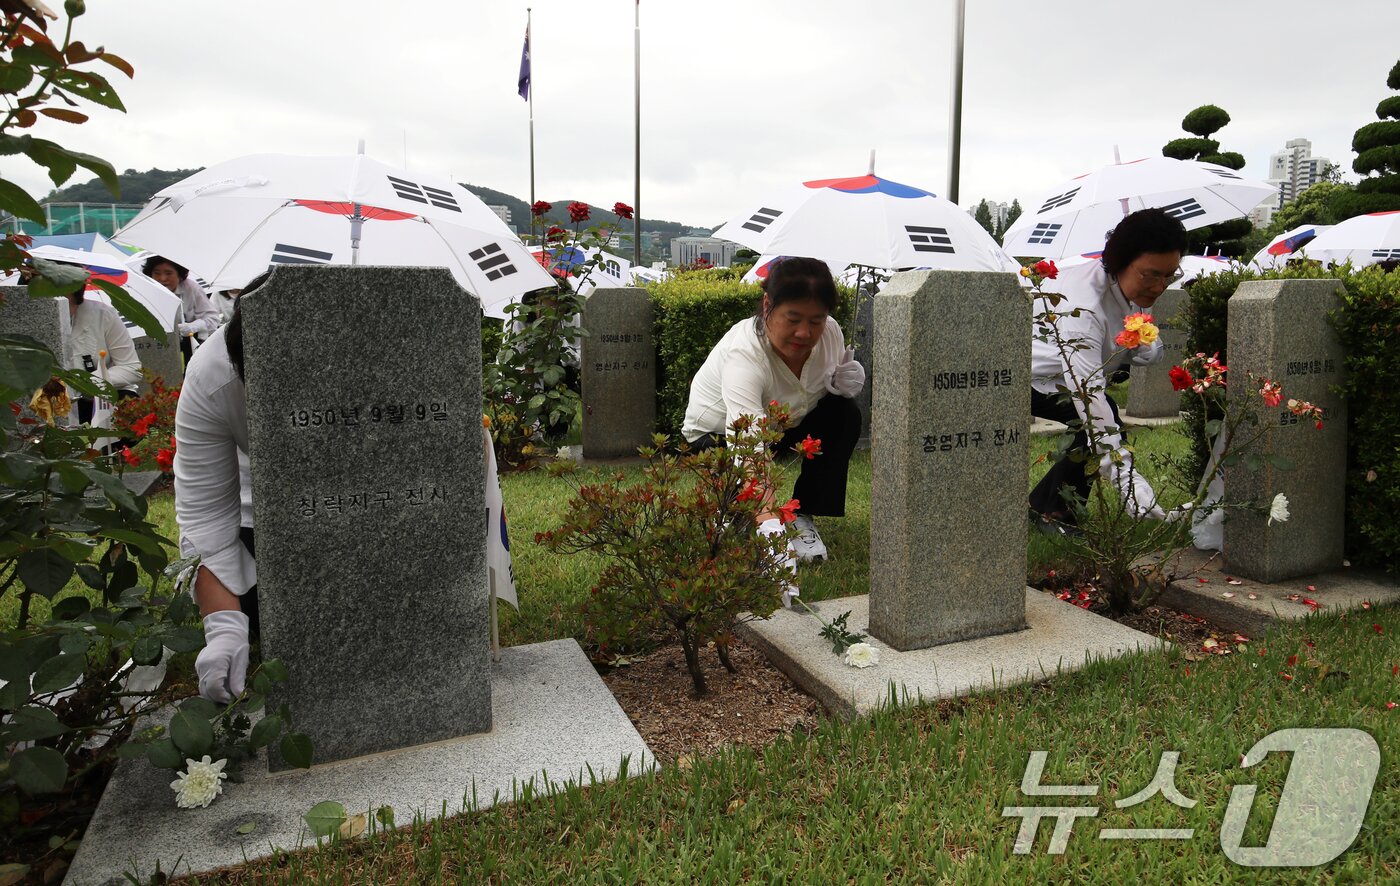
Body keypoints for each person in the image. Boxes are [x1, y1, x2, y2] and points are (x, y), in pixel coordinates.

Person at [681, 256, 865, 575]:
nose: (804, 333)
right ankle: (739, 514)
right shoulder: (745, 353)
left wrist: (841, 380)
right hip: (717, 440)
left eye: (816, 320)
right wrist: (769, 522)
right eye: (792, 318)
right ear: (768, 304)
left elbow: (824, 388)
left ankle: (801, 514)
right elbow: (747, 441)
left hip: (785, 426)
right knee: (737, 528)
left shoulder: (831, 333)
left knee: (844, 414)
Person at [1028, 208, 1187, 533]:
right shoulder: (1086, 308)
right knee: (1095, 426)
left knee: (1102, 425)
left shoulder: (1133, 288)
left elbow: (1145, 352)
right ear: (1120, 262)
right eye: (1150, 275)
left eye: (1169, 275)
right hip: (1034, 379)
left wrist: (1143, 344)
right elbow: (1089, 397)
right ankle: (1052, 513)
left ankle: (1045, 507)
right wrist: (1131, 487)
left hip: (1069, 374)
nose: (1159, 287)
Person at [37, 273, 142, 425]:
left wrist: (89, 381)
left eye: (65, 303)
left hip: (99, 397)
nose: (57, 311)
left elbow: (131, 367)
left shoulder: (103, 315)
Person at [143, 255, 219, 366]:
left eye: (169, 273)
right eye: (157, 273)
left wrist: (193, 326)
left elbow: (212, 318)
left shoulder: (192, 289)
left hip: (192, 341)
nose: (163, 279)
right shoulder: (145, 291)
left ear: (179, 275)